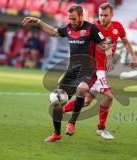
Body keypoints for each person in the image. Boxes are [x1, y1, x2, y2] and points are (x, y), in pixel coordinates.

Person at [22, 4, 114, 142]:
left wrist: (109, 56)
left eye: (74, 18)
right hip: (72, 69)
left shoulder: (91, 28)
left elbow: (104, 43)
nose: (71, 21)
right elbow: (53, 32)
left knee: (82, 88)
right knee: (57, 101)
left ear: (81, 16)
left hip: (88, 68)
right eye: (69, 18)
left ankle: (71, 122)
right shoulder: (69, 28)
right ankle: (57, 133)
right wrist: (39, 22)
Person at [62, 3, 137, 140]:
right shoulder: (92, 28)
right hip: (96, 68)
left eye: (105, 15)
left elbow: (125, 41)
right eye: (100, 15)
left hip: (104, 68)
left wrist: (133, 56)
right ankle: (101, 128)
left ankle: (61, 111)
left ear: (112, 15)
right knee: (109, 96)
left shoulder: (118, 27)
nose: (102, 18)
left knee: (87, 101)